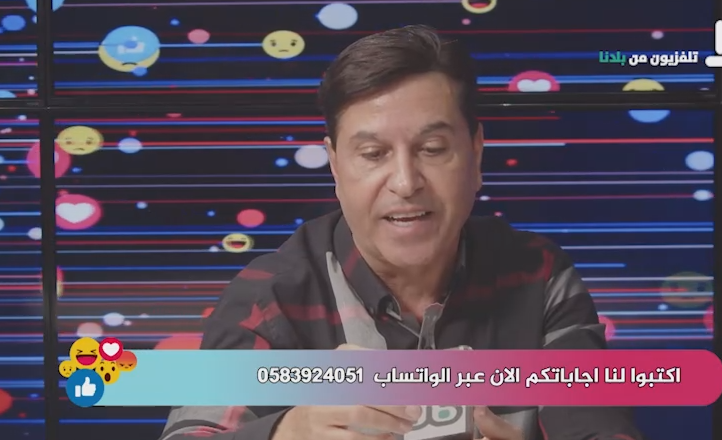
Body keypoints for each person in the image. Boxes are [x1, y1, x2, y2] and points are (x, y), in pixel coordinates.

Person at [158, 25, 645, 440]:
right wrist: (289, 431)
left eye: (432, 149)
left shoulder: (539, 275)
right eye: (373, 154)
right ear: (335, 166)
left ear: (476, 154)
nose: (406, 183)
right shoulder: (270, 296)